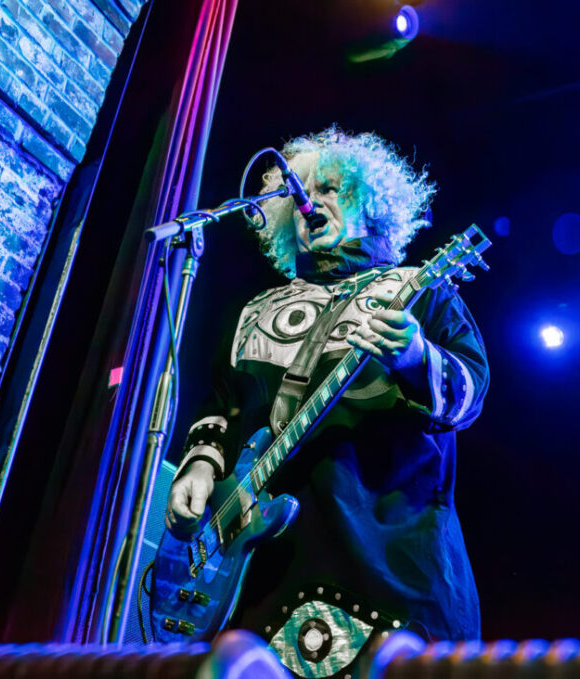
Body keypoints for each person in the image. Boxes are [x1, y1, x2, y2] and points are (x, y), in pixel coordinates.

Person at [166, 127, 489, 677]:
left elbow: (471, 393)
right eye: (296, 193)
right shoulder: (257, 311)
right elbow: (223, 403)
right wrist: (199, 464)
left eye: (330, 188)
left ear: (369, 203)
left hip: (389, 563)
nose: (308, 201)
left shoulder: (420, 289)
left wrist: (415, 357)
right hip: (263, 574)